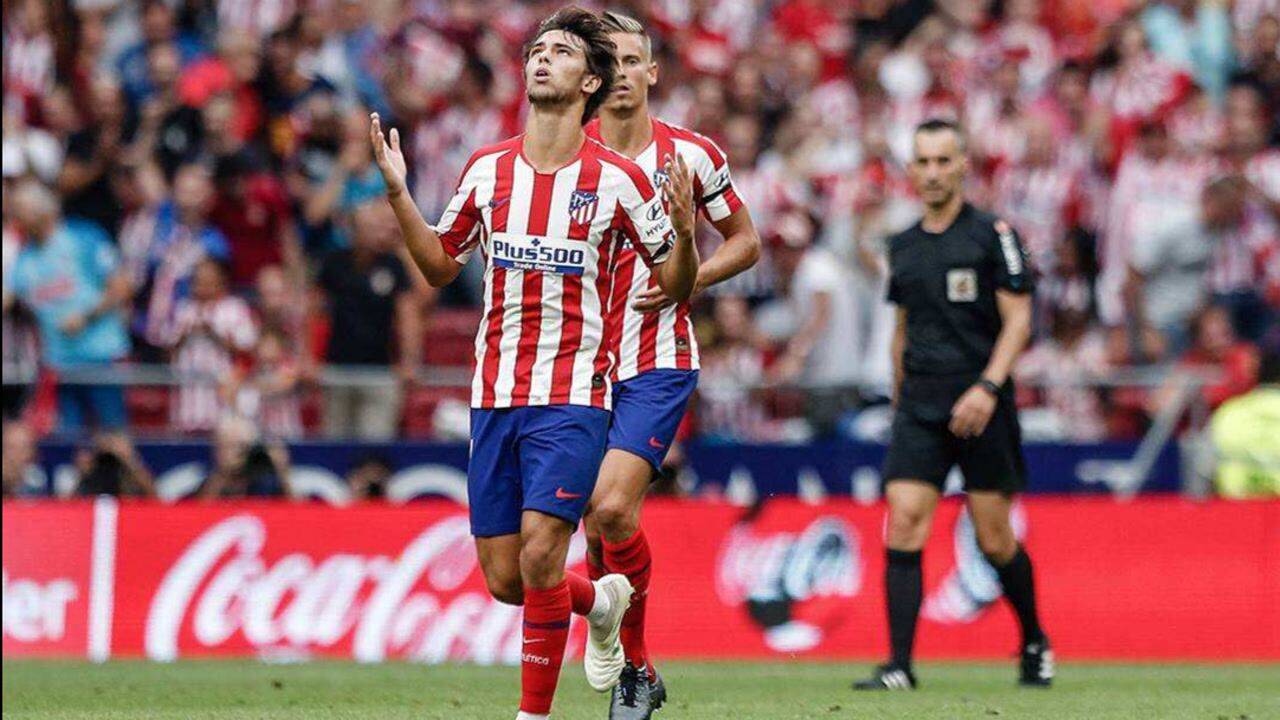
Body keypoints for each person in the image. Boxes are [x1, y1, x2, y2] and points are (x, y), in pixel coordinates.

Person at [368, 8, 700, 719]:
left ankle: (532, 715)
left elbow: (673, 282)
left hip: (574, 396)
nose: (542, 59)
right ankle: (602, 603)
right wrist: (399, 194)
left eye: (561, 52)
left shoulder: (618, 181)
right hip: (493, 396)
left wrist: (683, 234)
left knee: (544, 553)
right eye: (537, 50)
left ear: (590, 81)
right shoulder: (487, 169)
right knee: (508, 579)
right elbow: (438, 266)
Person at [582, 12, 762, 716]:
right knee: (595, 523)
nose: (623, 74)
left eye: (634, 60)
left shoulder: (691, 154)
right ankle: (636, 666)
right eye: (611, 62)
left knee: (612, 506)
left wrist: (692, 278)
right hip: (579, 365)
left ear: (652, 72)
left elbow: (745, 240)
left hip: (658, 358)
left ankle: (633, 671)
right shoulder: (569, 157)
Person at [854, 119, 1052, 691]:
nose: (933, 172)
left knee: (994, 539)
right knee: (903, 521)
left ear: (963, 165)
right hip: (920, 405)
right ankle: (899, 666)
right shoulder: (903, 245)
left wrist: (988, 388)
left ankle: (1034, 639)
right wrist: (898, 398)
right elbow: (903, 328)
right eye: (923, 162)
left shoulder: (994, 234)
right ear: (911, 171)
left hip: (981, 403)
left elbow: (1019, 321)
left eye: (944, 161)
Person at [9, 180, 133, 434]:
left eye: (20, 209)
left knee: (113, 437)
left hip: (102, 358)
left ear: (42, 210)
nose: (15, 217)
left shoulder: (84, 237)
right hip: (60, 366)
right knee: (66, 442)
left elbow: (122, 286)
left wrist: (86, 317)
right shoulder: (24, 260)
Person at [316, 201, 420, 440]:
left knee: (375, 444)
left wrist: (409, 361)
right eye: (370, 227)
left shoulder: (394, 265)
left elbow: (408, 316)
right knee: (333, 444)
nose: (377, 233)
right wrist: (308, 358)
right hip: (337, 371)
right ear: (354, 230)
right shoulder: (333, 263)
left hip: (380, 373)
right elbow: (313, 311)